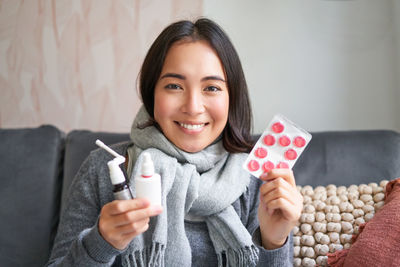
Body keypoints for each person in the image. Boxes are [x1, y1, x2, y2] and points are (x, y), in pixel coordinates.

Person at [47, 18, 303, 267]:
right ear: (152, 94)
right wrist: (101, 243)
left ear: (231, 98)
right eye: (174, 86)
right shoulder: (104, 168)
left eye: (211, 88)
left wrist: (274, 240)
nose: (193, 107)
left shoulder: (258, 179)